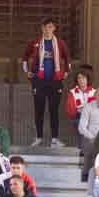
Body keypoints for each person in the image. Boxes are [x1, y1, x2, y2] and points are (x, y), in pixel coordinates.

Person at [22, 18, 72, 148]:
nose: (48, 29)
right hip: (39, 81)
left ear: (54, 29)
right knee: (39, 110)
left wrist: (66, 72)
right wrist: (27, 72)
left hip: (55, 81)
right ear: (42, 28)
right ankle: (39, 138)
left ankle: (54, 139)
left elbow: (67, 59)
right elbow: (25, 57)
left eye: (51, 27)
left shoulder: (60, 43)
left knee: (54, 110)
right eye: (46, 27)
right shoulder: (35, 43)